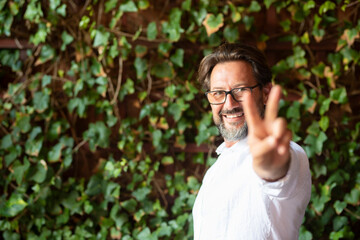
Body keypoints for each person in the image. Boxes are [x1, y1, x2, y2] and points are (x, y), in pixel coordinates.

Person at [192, 43, 311, 240]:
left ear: (265, 93)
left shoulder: (288, 153)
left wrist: (271, 170)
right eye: (218, 93)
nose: (229, 104)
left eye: (240, 90)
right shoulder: (215, 170)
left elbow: (277, 177)